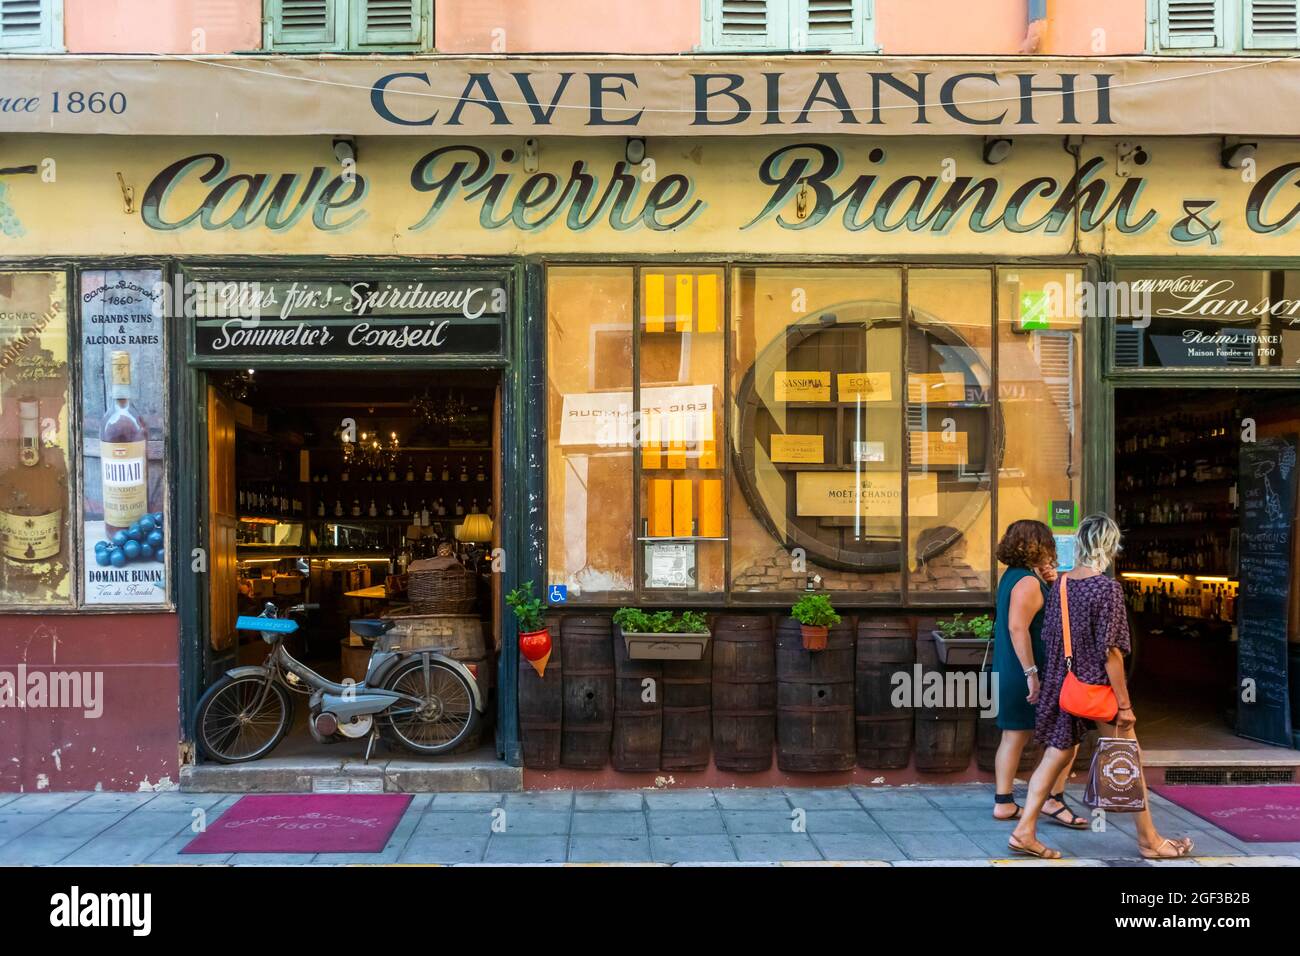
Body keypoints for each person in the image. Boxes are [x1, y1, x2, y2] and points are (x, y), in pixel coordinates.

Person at [1009, 514, 1195, 860]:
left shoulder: (1062, 585)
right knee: (1128, 758)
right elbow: (1111, 653)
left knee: (1055, 755)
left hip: (1065, 686)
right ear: (1109, 547)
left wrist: (1051, 683)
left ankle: (1024, 831)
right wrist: (1124, 705)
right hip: (1096, 690)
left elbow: (1050, 638)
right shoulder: (1107, 589)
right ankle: (1150, 841)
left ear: (1079, 544)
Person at [990, 520, 1085, 828]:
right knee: (1066, 735)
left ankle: (1005, 803)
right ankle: (1053, 800)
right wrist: (1032, 674)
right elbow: (1018, 628)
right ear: (1037, 545)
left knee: (1013, 736)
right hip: (1026, 672)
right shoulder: (1028, 583)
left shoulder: (1013, 577)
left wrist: (1052, 580)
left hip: (1009, 668)